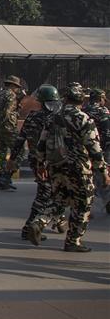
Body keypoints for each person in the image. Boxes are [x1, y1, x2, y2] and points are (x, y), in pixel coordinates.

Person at [29, 83, 109, 251]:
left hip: (56, 166)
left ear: (65, 99)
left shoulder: (53, 117)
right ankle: (73, 241)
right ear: (81, 100)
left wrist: (40, 164)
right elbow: (94, 147)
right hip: (79, 168)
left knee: (59, 200)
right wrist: (103, 171)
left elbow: (41, 143)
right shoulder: (83, 118)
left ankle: (39, 221)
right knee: (83, 203)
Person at [8, 84, 67, 242]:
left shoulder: (32, 116)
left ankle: (58, 219)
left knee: (54, 192)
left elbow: (20, 138)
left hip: (36, 161)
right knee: (46, 194)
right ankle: (29, 228)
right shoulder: (56, 117)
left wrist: (12, 158)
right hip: (52, 162)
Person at [0, 75, 24, 190]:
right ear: (12, 85)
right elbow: (6, 113)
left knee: (1, 154)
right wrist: (2, 123)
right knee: (19, 151)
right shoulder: (11, 95)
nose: (17, 89)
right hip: (8, 128)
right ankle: (7, 177)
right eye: (17, 87)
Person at [82, 88, 110, 214]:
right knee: (104, 175)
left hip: (85, 148)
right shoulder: (102, 110)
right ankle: (108, 201)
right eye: (103, 98)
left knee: (87, 176)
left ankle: (86, 206)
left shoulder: (84, 110)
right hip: (100, 148)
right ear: (100, 98)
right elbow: (106, 131)